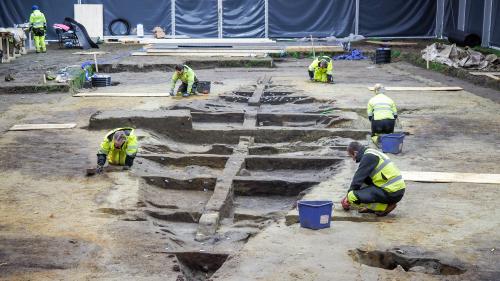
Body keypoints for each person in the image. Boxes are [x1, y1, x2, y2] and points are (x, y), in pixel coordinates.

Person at [341, 141, 405, 216]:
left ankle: (384, 207)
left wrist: (347, 197)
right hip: (396, 190)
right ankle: (375, 207)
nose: (353, 159)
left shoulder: (368, 157)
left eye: (351, 156)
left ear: (355, 153)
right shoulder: (372, 153)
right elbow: (363, 180)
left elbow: (357, 180)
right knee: (362, 186)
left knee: (352, 197)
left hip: (391, 192)